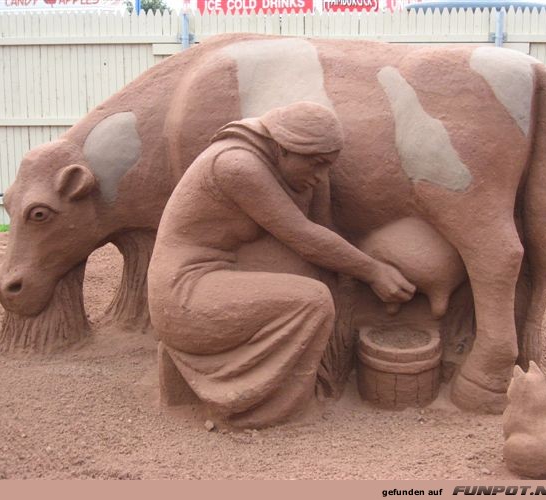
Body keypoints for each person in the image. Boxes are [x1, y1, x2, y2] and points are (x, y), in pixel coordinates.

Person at [148, 101, 415, 428]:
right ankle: (254, 410)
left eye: (327, 166)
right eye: (316, 165)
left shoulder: (288, 166)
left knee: (315, 284)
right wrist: (374, 271)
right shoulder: (236, 166)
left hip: (224, 272)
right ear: (283, 149)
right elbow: (303, 236)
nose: (320, 176)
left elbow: (322, 229)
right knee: (311, 301)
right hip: (184, 293)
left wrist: (351, 271)